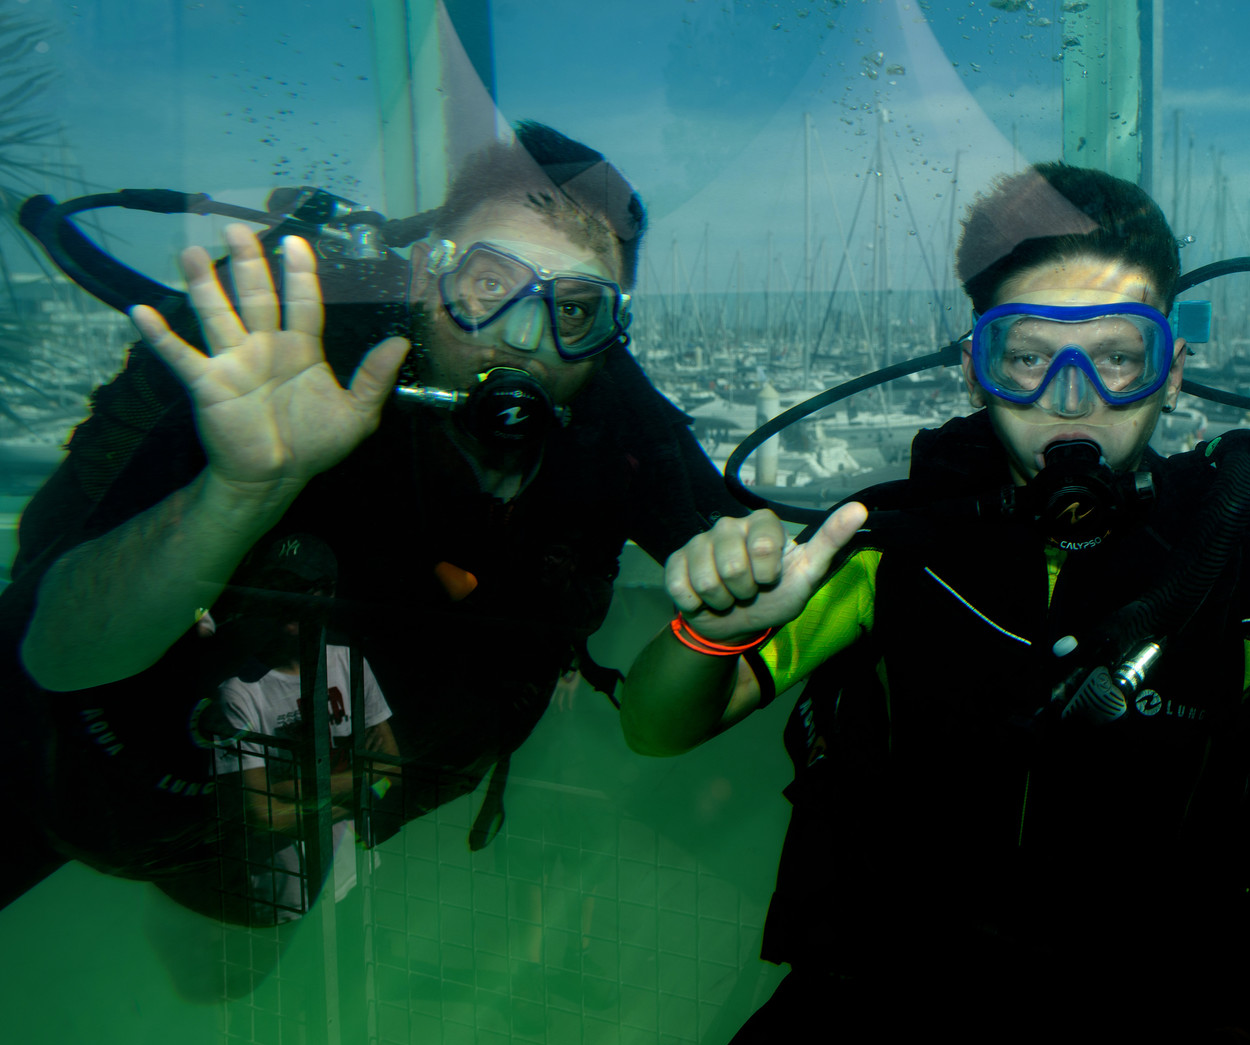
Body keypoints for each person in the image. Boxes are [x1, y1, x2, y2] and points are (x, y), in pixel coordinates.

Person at [618, 164, 1250, 1045]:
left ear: (1174, 373)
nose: (1072, 399)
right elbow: (656, 729)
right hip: (879, 1007)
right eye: (1026, 356)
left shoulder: (1244, 586)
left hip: (1147, 1029)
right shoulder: (880, 547)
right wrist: (713, 626)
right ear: (974, 369)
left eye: (1117, 358)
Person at [0, 121, 741, 913]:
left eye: (577, 306)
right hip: (78, 777)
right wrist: (240, 490)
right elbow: (53, 651)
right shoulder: (286, 355)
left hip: (305, 848)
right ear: (427, 274)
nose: (527, 338)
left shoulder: (606, 405)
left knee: (234, 964)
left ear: (610, 328)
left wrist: (751, 553)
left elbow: (738, 538)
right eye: (490, 284)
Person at [206, 532, 399, 926]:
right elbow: (260, 813)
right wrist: (357, 789)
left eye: (302, 588)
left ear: (327, 593)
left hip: (355, 869)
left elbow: (392, 767)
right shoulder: (237, 692)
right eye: (279, 587)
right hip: (282, 896)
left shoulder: (348, 663)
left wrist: (290, 792)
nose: (289, 600)